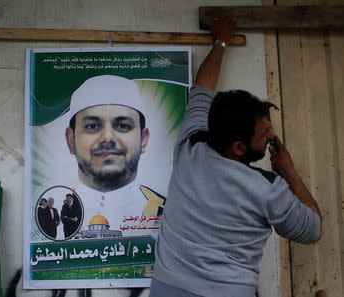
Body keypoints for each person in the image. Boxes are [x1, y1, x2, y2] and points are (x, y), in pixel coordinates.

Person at [150, 16, 322, 297]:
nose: (271, 136)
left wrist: (220, 41)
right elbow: (313, 230)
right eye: (264, 132)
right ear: (239, 148)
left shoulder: (190, 147)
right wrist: (289, 172)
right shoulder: (267, 189)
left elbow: (202, 90)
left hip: (166, 289)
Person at [64, 75, 166, 233]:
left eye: (123, 126)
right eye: (91, 126)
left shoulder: (170, 212)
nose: (107, 138)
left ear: (143, 140)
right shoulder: (55, 208)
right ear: (71, 141)